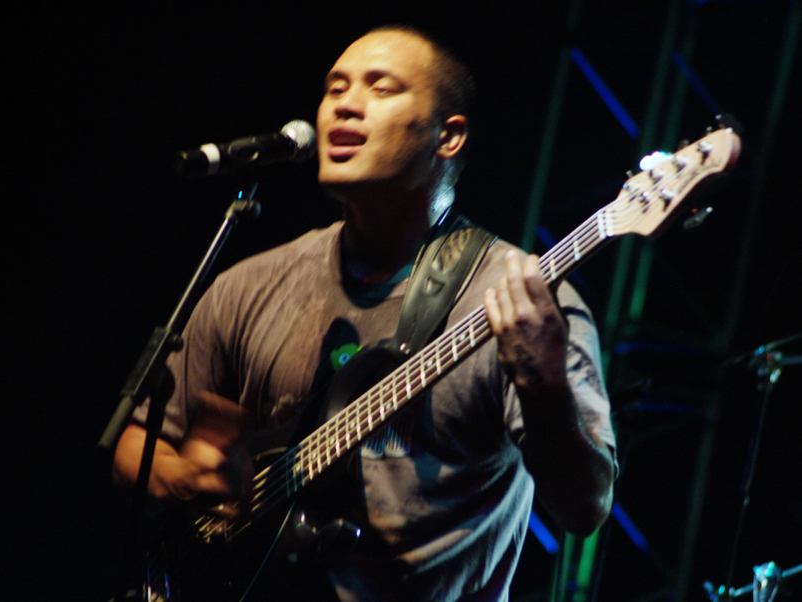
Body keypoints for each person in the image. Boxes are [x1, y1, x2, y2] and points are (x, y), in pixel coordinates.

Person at [113, 25, 616, 602]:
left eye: (382, 88)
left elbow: (586, 506)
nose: (344, 106)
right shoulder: (248, 285)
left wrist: (542, 383)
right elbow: (135, 447)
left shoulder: (520, 299)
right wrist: (185, 481)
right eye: (335, 89)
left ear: (447, 137)